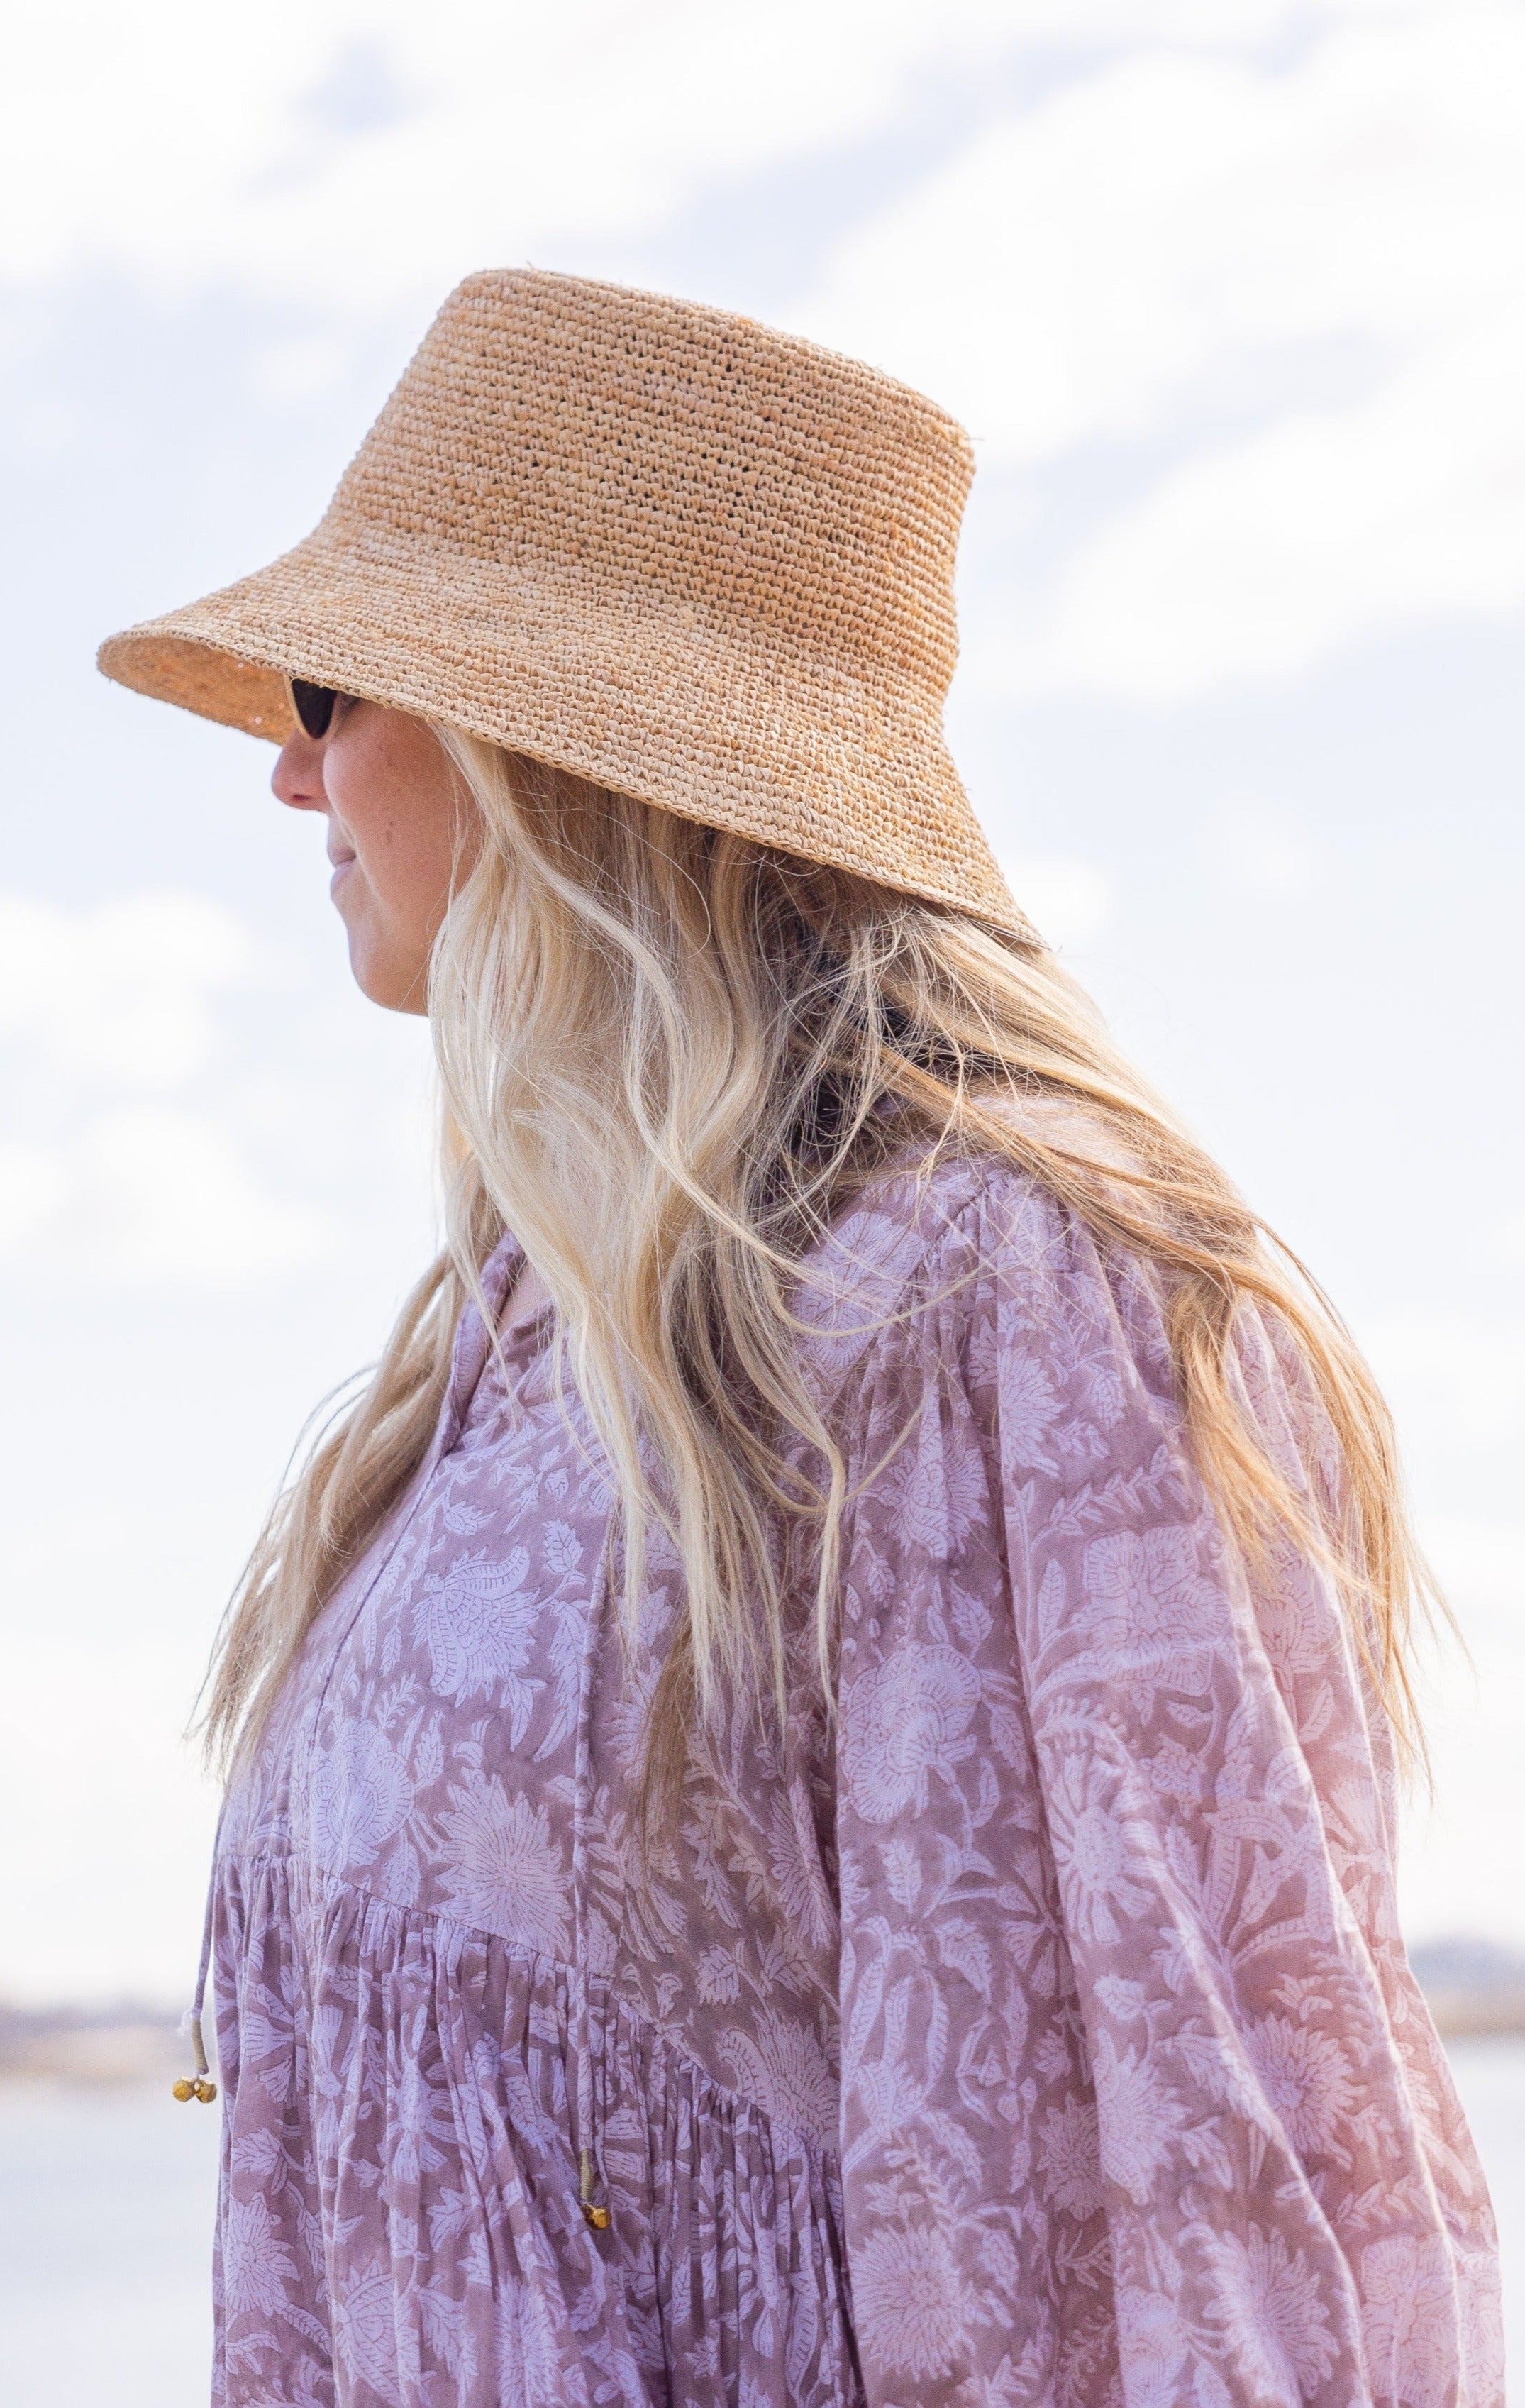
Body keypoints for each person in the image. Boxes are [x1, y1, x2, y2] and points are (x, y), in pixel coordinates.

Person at [99, 269, 1501, 2408]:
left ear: (541, 739)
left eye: (327, 688)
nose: (294, 779)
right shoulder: (507, 1363)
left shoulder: (1005, 1287)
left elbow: (1159, 2196)